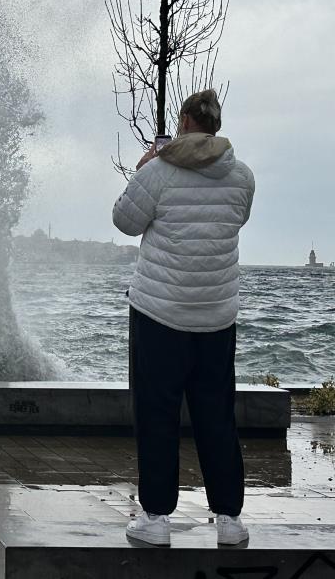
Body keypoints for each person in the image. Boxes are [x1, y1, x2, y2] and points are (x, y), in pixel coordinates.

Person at [112, 89, 255, 547]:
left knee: (157, 414)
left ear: (187, 123)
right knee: (217, 415)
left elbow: (125, 221)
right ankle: (229, 519)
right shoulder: (242, 176)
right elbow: (234, 221)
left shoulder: (158, 171)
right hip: (216, 316)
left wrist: (140, 172)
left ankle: (156, 519)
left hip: (159, 314)